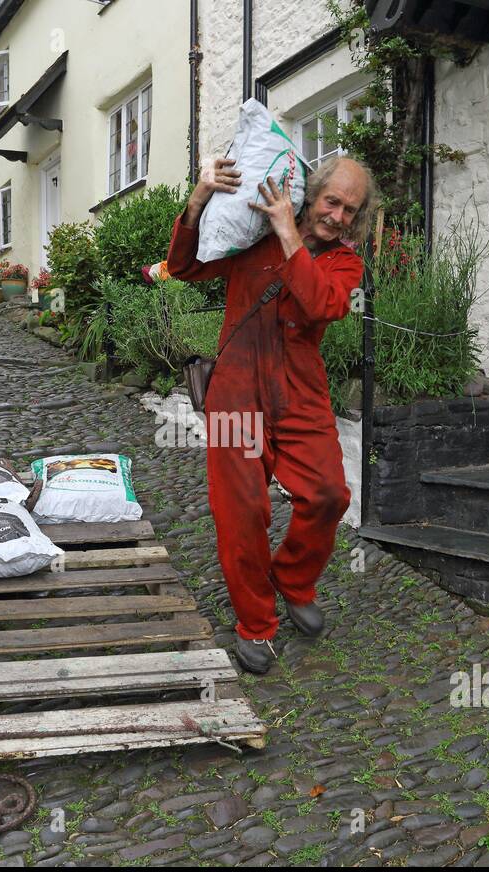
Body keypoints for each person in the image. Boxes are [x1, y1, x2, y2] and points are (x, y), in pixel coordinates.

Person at [165, 154, 378, 674]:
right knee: (243, 513)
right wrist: (198, 199)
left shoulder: (343, 262)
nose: (338, 217)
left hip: (300, 391)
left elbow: (321, 306)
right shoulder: (252, 234)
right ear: (314, 192)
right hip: (238, 388)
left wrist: (289, 237)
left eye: (350, 210)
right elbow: (186, 267)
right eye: (332, 202)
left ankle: (293, 578)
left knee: (328, 494)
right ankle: (255, 623)